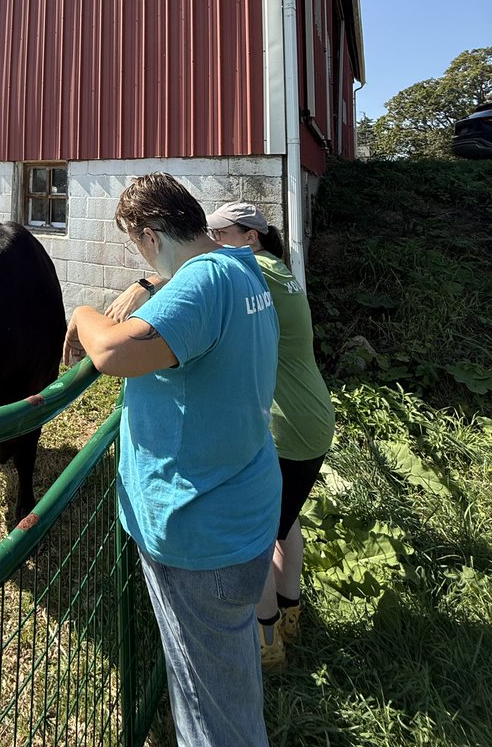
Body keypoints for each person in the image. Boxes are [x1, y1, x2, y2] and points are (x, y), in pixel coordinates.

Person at [63, 174, 280, 747]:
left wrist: (85, 313)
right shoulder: (241, 265)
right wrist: (147, 281)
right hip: (244, 506)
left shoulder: (204, 283)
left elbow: (112, 352)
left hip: (199, 532)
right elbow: (187, 284)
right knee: (223, 682)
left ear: (151, 233)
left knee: (212, 721)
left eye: (136, 244)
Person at [108, 199, 335, 670]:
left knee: (260, 534)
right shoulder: (274, 270)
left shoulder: (248, 270)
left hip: (287, 424)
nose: (211, 244)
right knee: (284, 520)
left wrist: (146, 283)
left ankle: (267, 637)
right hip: (310, 412)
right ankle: (291, 613)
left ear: (248, 238)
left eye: (219, 234)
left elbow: (192, 290)